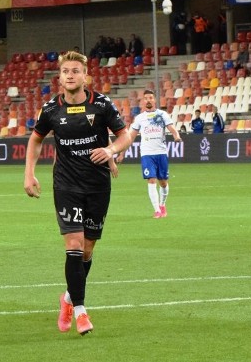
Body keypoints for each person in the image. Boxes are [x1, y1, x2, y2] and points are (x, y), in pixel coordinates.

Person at [23, 51, 131, 336]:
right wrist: (29, 173)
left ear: (86, 76)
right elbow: (35, 141)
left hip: (97, 185)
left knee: (87, 249)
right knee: (73, 242)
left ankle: (69, 298)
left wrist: (110, 151)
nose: (70, 75)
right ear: (60, 78)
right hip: (66, 185)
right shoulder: (50, 110)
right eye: (65, 71)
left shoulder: (102, 105)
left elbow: (125, 136)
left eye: (75, 71)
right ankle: (82, 312)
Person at [116, 90, 181, 218]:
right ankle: (156, 210)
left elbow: (172, 129)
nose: (148, 100)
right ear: (143, 101)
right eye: (146, 98)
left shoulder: (162, 115)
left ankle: (162, 205)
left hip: (161, 152)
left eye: (151, 97)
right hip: (147, 153)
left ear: (154, 100)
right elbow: (130, 137)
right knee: (151, 180)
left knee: (163, 182)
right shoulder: (140, 118)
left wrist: (176, 136)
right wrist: (122, 153)